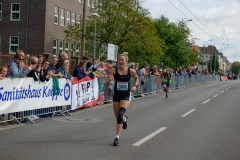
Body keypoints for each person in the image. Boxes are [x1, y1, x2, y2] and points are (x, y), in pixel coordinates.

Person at [105, 52, 139, 146]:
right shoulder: (113, 70)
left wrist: (135, 86)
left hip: (126, 95)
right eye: (119, 60)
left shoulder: (131, 71)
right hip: (116, 95)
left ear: (126, 61)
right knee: (118, 118)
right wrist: (108, 80)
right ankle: (125, 119)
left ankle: (116, 137)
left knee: (120, 114)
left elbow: (137, 78)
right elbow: (106, 85)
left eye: (122, 60)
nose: (120, 61)